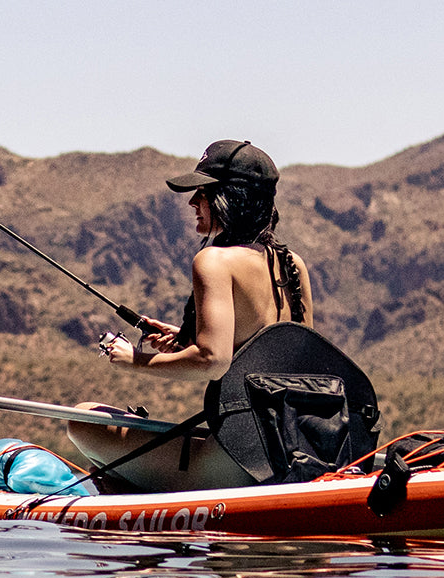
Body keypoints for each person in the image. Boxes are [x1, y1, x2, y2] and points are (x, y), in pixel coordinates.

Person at [68, 139, 314, 493]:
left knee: (84, 419)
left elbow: (212, 361)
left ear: (231, 198)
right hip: (291, 453)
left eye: (203, 193)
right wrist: (187, 341)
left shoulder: (214, 261)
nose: (193, 202)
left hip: (234, 465)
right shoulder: (292, 265)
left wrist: (135, 360)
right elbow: (285, 359)